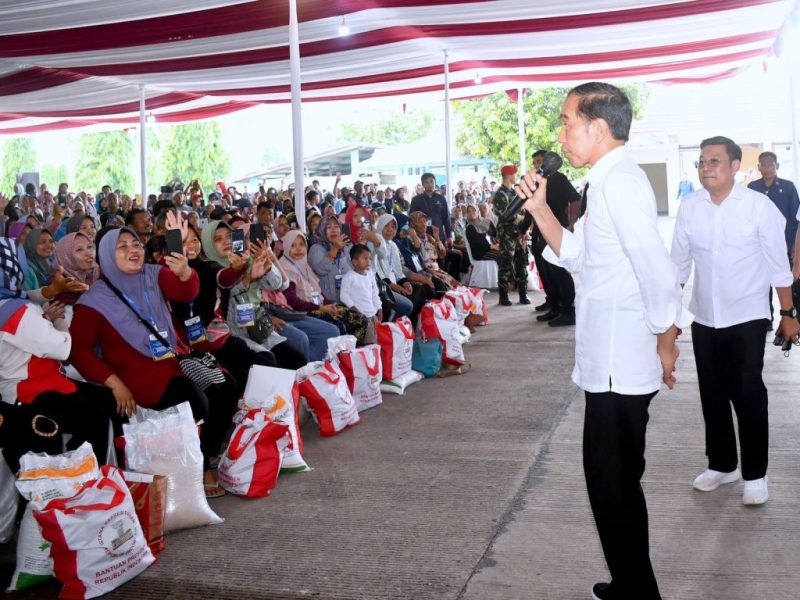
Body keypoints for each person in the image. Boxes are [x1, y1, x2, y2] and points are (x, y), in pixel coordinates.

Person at [516, 82, 689, 600]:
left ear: (598, 127)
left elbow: (656, 271)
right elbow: (579, 254)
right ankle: (630, 582)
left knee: (611, 483)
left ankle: (639, 591)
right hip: (608, 357)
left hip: (621, 358)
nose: (562, 133)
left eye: (568, 121)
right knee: (613, 481)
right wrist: (540, 209)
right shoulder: (605, 181)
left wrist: (666, 338)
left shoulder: (620, 184)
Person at [671, 136, 799, 507]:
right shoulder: (690, 207)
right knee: (712, 392)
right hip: (706, 317)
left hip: (747, 316)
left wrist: (788, 314)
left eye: (714, 161)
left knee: (747, 391)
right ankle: (723, 465)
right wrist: (671, 316)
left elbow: (779, 265)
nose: (706, 167)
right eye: (701, 162)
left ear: (735, 166)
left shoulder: (758, 208)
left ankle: (755, 474)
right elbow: (678, 266)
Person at [201, 220, 307, 369]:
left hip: (259, 326)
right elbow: (227, 296)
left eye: (229, 236)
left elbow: (276, 284)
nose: (226, 241)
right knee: (270, 366)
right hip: (234, 334)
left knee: (297, 360)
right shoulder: (210, 270)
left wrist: (268, 263)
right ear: (208, 244)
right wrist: (247, 277)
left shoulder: (248, 260)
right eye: (218, 239)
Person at [279, 230, 368, 342]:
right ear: (286, 247)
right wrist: (322, 308)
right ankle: (339, 354)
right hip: (305, 312)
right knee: (340, 326)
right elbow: (293, 302)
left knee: (361, 319)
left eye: (301, 244)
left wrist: (330, 306)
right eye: (293, 245)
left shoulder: (304, 265)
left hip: (320, 307)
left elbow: (318, 293)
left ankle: (350, 353)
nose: (298, 249)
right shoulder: (285, 269)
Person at [748, 151, 800, 337]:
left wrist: (795, 246)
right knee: (762, 283)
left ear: (776, 166)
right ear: (759, 166)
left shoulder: (788, 187)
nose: (767, 168)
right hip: (758, 246)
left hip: (784, 243)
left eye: (771, 164)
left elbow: (795, 219)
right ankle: (766, 318)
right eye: (764, 164)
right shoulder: (752, 187)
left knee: (786, 280)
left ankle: (791, 316)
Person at [530, 150, 581, 327]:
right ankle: (554, 304)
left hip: (557, 231)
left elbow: (575, 199)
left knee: (558, 271)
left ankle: (567, 310)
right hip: (540, 231)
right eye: (534, 162)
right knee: (545, 271)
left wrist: (572, 222)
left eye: (539, 161)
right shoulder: (538, 181)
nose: (536, 165)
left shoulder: (559, 179)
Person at [492, 165, 532, 306]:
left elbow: (521, 212)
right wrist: (522, 221)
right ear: (509, 175)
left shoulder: (513, 192)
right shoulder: (500, 194)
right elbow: (505, 215)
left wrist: (524, 229)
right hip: (507, 234)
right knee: (506, 264)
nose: (516, 176)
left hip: (518, 234)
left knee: (522, 262)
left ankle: (523, 294)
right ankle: (503, 296)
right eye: (514, 174)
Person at [372, 214, 421, 322]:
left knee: (418, 290)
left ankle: (404, 328)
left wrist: (405, 282)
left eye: (393, 226)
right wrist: (393, 286)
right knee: (407, 304)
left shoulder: (393, 245)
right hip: (383, 286)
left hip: (393, 282)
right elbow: (377, 273)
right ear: (380, 226)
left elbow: (398, 270)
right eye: (386, 226)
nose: (390, 229)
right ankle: (392, 326)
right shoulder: (375, 243)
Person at [340, 244, 382, 344]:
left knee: (377, 341)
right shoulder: (349, 276)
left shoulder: (370, 275)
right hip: (361, 317)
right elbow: (344, 295)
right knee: (368, 344)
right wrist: (354, 308)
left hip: (373, 315)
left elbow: (375, 293)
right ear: (354, 262)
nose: (369, 262)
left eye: (370, 259)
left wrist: (379, 308)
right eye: (365, 259)